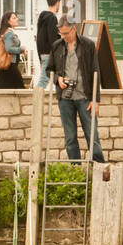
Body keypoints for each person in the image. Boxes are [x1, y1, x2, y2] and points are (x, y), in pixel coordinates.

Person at [48, 14, 104, 162]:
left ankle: (99, 168)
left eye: (66, 33)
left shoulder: (88, 45)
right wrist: (58, 79)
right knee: (70, 137)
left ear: (74, 30)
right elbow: (49, 69)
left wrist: (96, 100)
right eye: (61, 33)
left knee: (92, 136)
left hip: (85, 97)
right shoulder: (56, 46)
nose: (63, 36)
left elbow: (96, 72)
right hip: (65, 99)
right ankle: (76, 170)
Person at [34, 0, 61, 89]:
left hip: (43, 53)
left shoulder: (42, 17)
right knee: (44, 79)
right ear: (57, 3)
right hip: (49, 53)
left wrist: (39, 57)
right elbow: (53, 39)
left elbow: (38, 39)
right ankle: (35, 100)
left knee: (55, 77)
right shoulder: (52, 18)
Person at [0, 11, 25, 89]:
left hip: (9, 65)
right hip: (10, 65)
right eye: (14, 18)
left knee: (2, 88)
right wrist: (21, 49)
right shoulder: (9, 33)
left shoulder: (9, 32)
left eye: (16, 17)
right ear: (8, 21)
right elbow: (9, 49)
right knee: (20, 86)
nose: (17, 19)